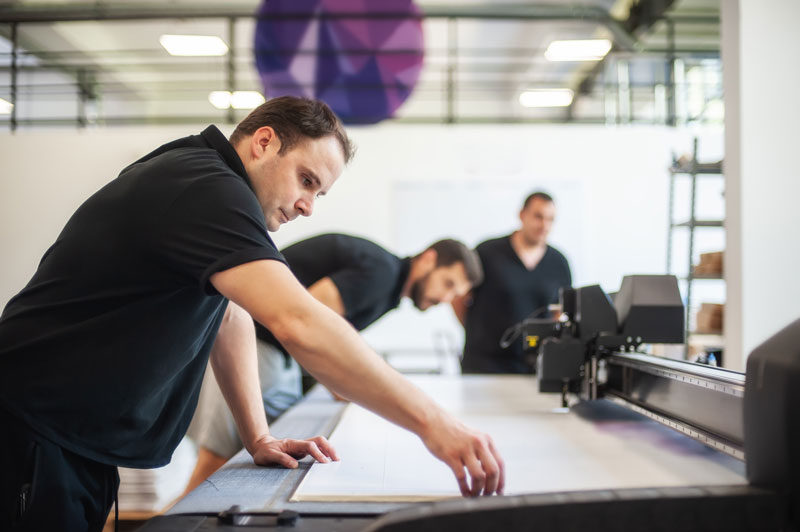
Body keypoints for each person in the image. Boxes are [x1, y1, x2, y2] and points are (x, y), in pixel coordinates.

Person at [0, 96, 504, 532]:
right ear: (263, 142)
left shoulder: (208, 187)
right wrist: (435, 423)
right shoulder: (208, 188)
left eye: (319, 194)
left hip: (69, 438)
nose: (308, 206)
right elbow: (300, 322)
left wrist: (257, 435)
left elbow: (230, 315)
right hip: (32, 428)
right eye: (306, 180)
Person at [186, 233, 484, 491]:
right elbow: (312, 316)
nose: (446, 299)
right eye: (447, 284)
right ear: (428, 259)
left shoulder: (387, 283)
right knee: (217, 462)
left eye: (454, 294)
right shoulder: (381, 273)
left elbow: (325, 330)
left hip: (275, 352)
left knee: (247, 463)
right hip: (253, 342)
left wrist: (341, 384)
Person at [453, 191, 572, 374]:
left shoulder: (559, 263)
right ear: (522, 215)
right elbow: (458, 297)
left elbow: (559, 313)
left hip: (533, 367)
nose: (544, 225)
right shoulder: (487, 252)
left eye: (550, 219)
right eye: (538, 217)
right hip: (484, 364)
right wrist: (475, 331)